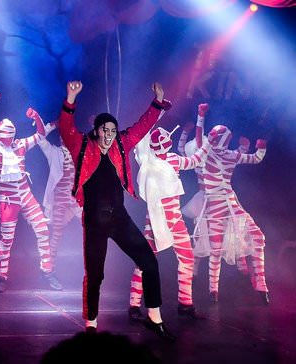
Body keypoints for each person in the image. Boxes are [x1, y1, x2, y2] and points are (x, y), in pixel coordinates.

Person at [57, 80, 175, 340]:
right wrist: (70, 99)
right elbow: (66, 129)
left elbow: (143, 126)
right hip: (95, 222)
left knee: (149, 263)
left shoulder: (122, 144)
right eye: (105, 130)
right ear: (97, 130)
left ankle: (154, 318)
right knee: (95, 275)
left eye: (113, 130)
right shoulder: (82, 147)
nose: (109, 135)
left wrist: (157, 101)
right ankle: (90, 326)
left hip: (119, 218)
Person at [0, 91, 62, 293]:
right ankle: (2, 275)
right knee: (7, 239)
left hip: (24, 193)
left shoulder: (20, 145)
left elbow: (40, 134)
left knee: (42, 229)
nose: (7, 137)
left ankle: (47, 271)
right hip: (8, 198)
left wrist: (36, 118)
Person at [129, 124, 210, 320]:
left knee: (179, 259)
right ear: (169, 144)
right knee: (152, 261)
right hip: (165, 220)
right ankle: (136, 305)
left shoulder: (147, 160)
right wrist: (209, 142)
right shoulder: (168, 160)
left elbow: (194, 160)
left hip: (166, 220)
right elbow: (196, 160)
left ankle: (183, 303)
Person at [192, 123, 270, 304]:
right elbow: (198, 142)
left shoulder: (228, 155)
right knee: (216, 247)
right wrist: (200, 117)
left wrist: (261, 146)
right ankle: (213, 290)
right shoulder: (206, 154)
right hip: (215, 204)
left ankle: (261, 284)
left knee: (257, 237)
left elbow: (256, 158)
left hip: (230, 204)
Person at [178, 104, 252, 277]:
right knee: (202, 232)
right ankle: (194, 269)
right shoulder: (200, 155)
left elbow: (234, 157)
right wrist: (199, 117)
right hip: (205, 199)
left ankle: (241, 265)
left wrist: (244, 149)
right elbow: (185, 147)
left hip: (222, 196)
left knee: (234, 228)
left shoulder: (214, 153)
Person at [38, 122, 82, 269]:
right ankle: (49, 268)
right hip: (59, 199)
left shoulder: (79, 152)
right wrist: (52, 126)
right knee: (56, 233)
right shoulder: (54, 152)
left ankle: (93, 265)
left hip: (76, 198)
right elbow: (40, 139)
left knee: (89, 226)